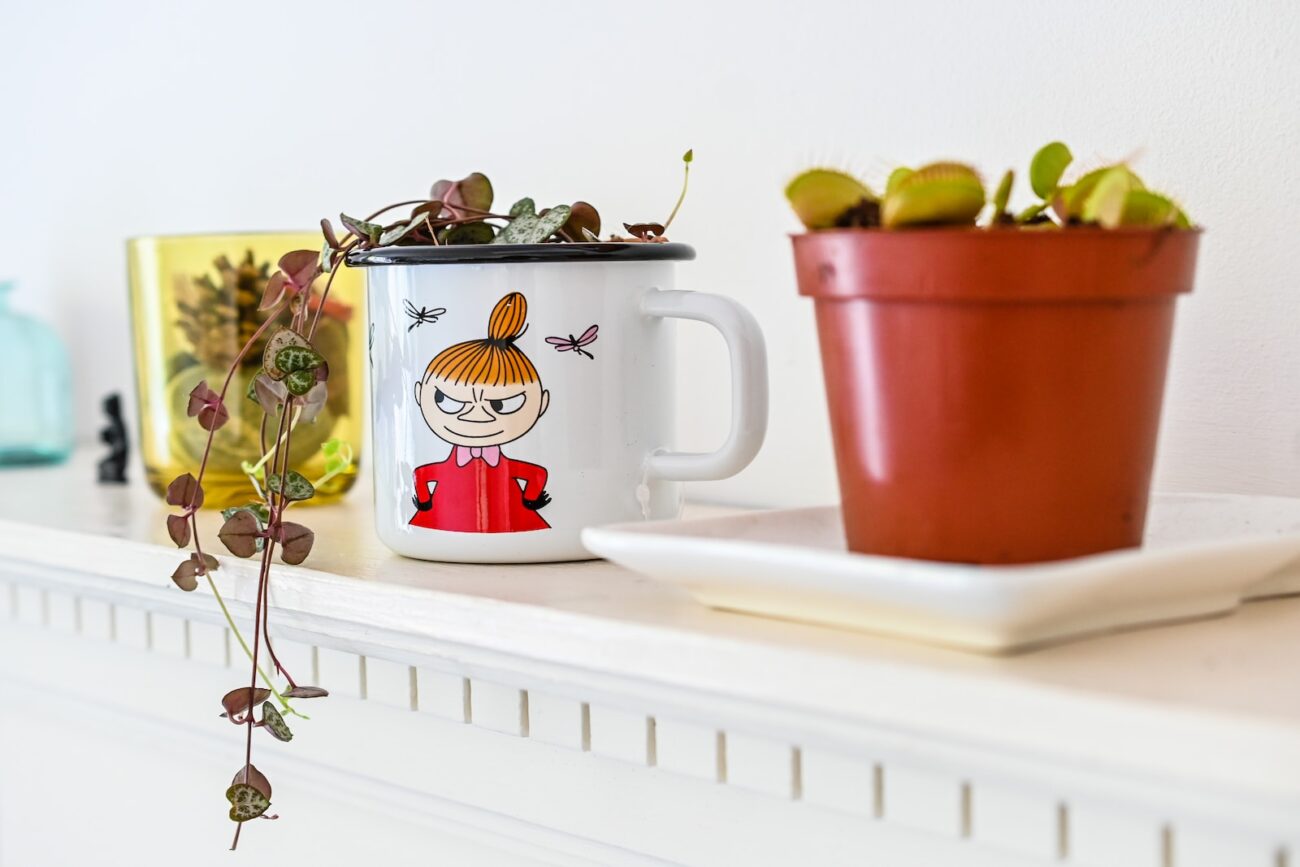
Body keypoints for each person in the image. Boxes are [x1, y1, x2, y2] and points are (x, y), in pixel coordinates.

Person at [410, 292, 552, 532]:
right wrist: (531, 497)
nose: (477, 416)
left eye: (501, 404)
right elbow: (534, 474)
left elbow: (422, 475)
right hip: (444, 514)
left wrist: (424, 501)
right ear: (419, 394)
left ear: (542, 404)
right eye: (448, 401)